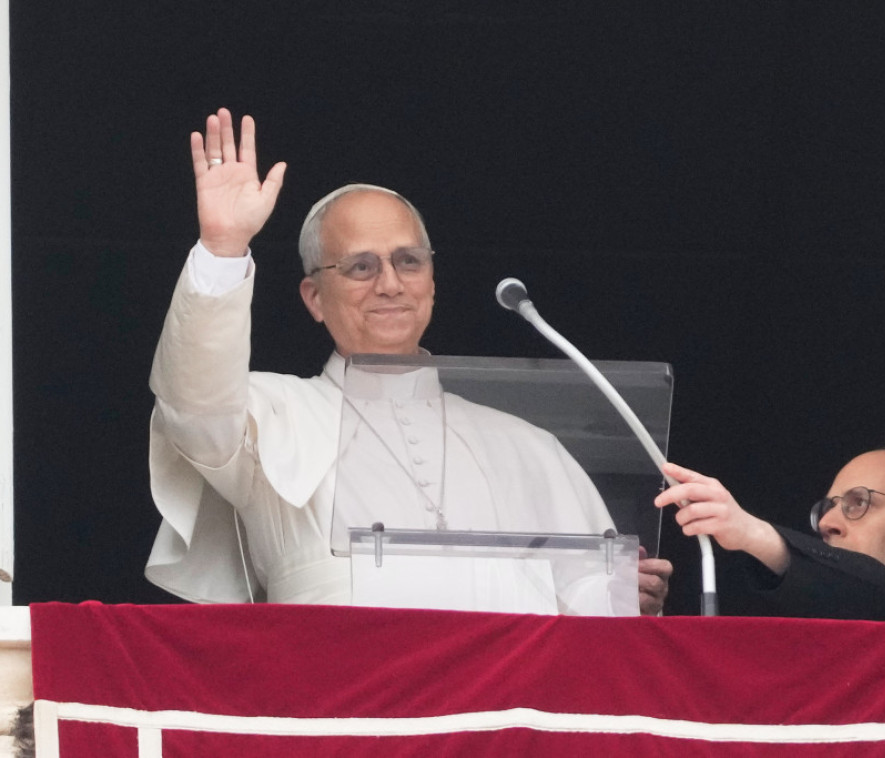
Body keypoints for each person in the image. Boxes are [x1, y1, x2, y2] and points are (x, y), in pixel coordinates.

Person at [145, 107, 671, 614]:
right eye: (360, 267)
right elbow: (194, 404)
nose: (390, 284)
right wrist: (223, 247)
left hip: (504, 698)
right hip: (335, 686)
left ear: (432, 283)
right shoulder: (272, 414)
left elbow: (580, 605)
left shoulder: (526, 444)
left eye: (408, 261)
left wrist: (624, 597)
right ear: (313, 298)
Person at [654, 448, 885, 623]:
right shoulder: (817, 616)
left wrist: (755, 534)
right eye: (829, 506)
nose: (827, 522)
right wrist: (643, 614)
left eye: (860, 503)